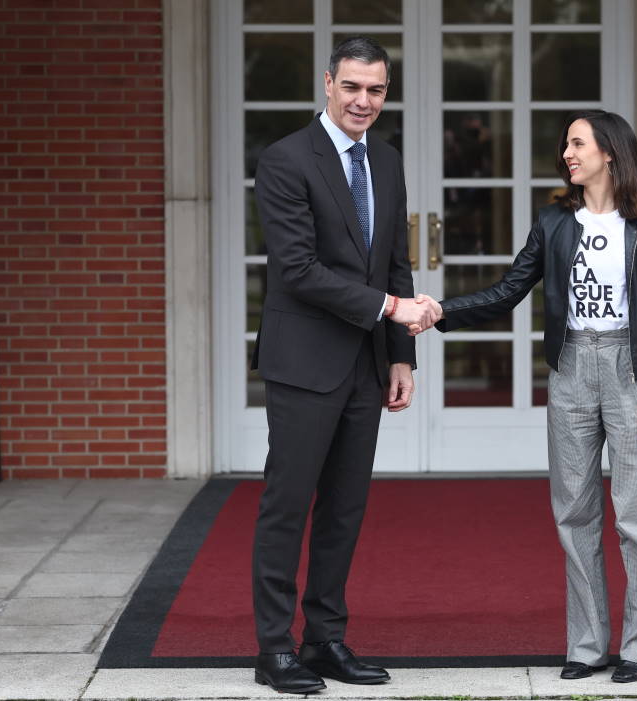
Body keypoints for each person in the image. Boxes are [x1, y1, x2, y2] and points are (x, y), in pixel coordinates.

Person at [418, 110, 637, 683]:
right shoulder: (554, 222)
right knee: (574, 513)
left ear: (609, 152)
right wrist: (442, 311)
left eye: (578, 143)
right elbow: (510, 290)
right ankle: (586, 646)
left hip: (630, 371)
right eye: (566, 144)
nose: (567, 153)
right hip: (571, 370)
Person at [249, 36, 441, 694]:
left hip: (365, 362)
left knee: (344, 509)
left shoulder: (385, 160)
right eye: (352, 86)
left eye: (376, 89)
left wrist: (402, 356)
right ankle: (274, 649)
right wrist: (390, 307)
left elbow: (394, 261)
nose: (363, 100)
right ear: (327, 83)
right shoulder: (285, 159)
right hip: (304, 361)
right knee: (287, 505)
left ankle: (325, 638)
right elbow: (298, 269)